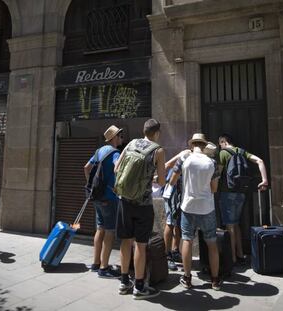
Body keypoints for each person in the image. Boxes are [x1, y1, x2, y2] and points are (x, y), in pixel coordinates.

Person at [115, 119, 166, 300]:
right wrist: (148, 179)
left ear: (143, 131)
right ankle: (138, 286)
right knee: (141, 245)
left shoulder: (131, 143)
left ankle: (123, 282)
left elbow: (116, 169)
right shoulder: (158, 150)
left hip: (124, 201)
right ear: (157, 133)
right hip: (143, 204)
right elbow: (161, 182)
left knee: (125, 242)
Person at [170, 133, 222, 290]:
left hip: (188, 207)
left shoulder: (184, 159)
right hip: (207, 208)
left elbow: (172, 181)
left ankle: (187, 278)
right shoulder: (212, 162)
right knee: (212, 243)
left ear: (192, 145)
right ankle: (215, 280)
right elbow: (214, 189)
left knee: (187, 240)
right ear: (204, 146)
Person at [218, 134, 269, 265]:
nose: (220, 146)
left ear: (223, 142)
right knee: (236, 224)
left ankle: (233, 258)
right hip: (241, 192)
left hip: (227, 192)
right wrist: (264, 180)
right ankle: (240, 254)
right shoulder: (242, 152)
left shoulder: (223, 153)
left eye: (220, 144)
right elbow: (260, 161)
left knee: (230, 226)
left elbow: (217, 174)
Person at [84, 125, 124, 278]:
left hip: (97, 197)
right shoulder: (115, 153)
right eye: (120, 135)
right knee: (109, 232)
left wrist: (92, 186)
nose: (122, 138)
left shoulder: (99, 151)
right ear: (114, 138)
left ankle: (95, 263)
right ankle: (104, 268)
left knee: (100, 229)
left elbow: (86, 168)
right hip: (109, 198)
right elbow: (117, 168)